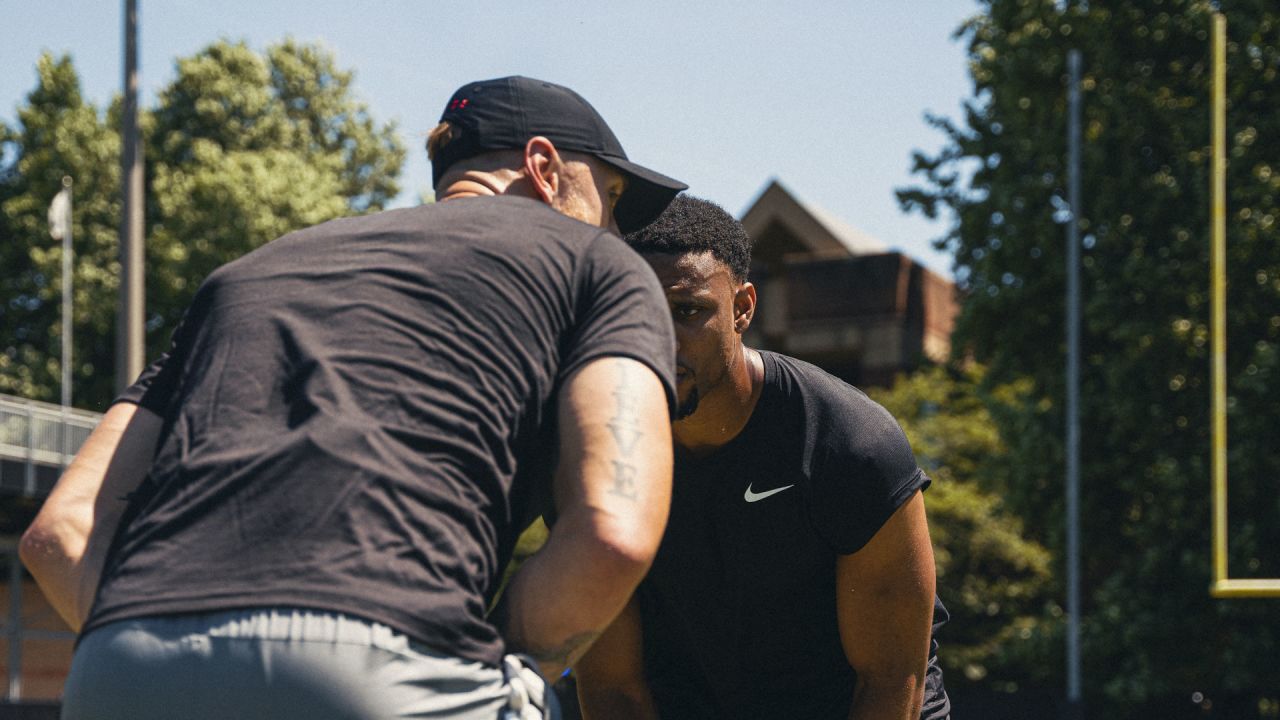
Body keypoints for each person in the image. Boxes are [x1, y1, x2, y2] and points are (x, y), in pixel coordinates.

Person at [20, 76, 688, 720]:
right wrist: (494, 657)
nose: (618, 227)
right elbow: (614, 532)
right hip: (382, 664)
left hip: (125, 671)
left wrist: (164, 642)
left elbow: (60, 533)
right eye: (613, 194)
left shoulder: (246, 274)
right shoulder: (597, 262)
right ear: (543, 165)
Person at [573, 195, 952, 720]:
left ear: (743, 307)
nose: (659, 339)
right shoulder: (595, 454)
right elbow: (613, 689)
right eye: (636, 310)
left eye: (688, 311)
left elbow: (891, 681)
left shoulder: (849, 443)